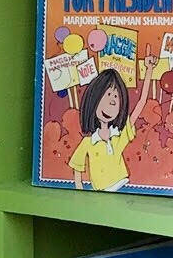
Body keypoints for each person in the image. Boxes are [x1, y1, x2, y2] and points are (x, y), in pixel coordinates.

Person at [68, 53, 160, 191]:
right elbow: (77, 166)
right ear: (93, 100)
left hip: (122, 186)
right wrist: (80, 193)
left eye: (116, 96)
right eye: (107, 95)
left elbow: (141, 102)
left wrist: (149, 70)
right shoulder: (89, 142)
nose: (111, 102)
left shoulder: (119, 134)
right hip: (100, 192)